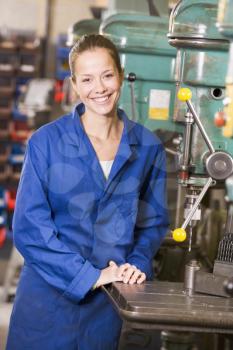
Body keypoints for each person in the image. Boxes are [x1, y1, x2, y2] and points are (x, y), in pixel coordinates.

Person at [6, 34, 169, 350]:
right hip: (47, 306)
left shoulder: (148, 147)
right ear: (75, 85)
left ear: (120, 75)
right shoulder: (46, 143)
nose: (100, 88)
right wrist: (90, 277)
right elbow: (29, 230)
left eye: (107, 75)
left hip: (107, 306)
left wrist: (136, 263)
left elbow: (152, 223)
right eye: (88, 79)